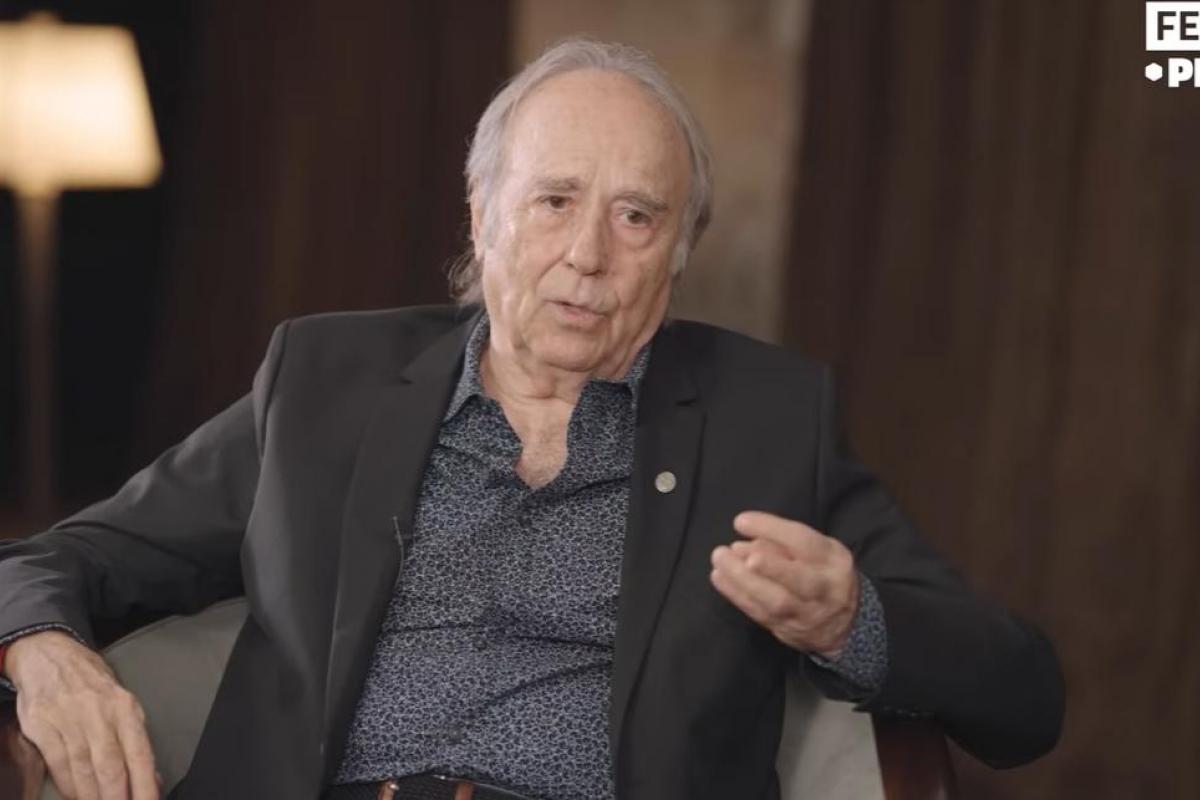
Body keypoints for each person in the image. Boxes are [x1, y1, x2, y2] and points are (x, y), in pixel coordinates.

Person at [0, 38, 1064, 800]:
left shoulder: (769, 421)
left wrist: (851, 620)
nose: (588, 256)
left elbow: (1023, 696)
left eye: (635, 216)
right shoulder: (325, 382)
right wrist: (43, 651)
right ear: (483, 215)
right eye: (554, 200)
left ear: (678, 252)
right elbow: (61, 556)